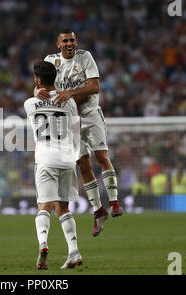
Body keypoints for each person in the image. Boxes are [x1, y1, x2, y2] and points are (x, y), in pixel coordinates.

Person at [35, 28, 122, 237]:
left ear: (76, 42)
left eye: (72, 40)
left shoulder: (85, 57)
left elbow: (94, 87)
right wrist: (36, 92)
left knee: (102, 156)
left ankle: (114, 202)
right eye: (65, 41)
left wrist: (70, 94)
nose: (69, 44)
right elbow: (40, 86)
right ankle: (98, 210)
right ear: (58, 44)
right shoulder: (50, 60)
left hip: (90, 114)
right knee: (82, 163)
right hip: (71, 120)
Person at [25, 61, 83, 270]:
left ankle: (43, 244)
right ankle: (74, 252)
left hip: (46, 158)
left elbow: (36, 97)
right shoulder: (68, 102)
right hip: (67, 158)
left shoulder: (30, 104)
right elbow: (77, 129)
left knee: (44, 206)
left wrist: (36, 91)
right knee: (64, 207)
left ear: (38, 79)